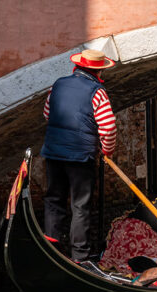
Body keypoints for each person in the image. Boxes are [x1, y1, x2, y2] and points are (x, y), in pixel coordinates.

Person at [40, 48, 117, 262]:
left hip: (54, 153)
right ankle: (79, 257)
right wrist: (107, 150)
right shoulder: (97, 91)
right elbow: (108, 127)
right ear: (98, 71)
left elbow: (47, 113)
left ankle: (51, 248)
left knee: (54, 199)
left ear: (77, 66)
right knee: (80, 206)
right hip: (80, 158)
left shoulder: (58, 84)